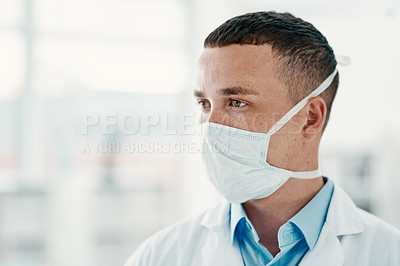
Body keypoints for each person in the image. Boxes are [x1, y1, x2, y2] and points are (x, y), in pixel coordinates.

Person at [124, 11, 400, 266]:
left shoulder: (388, 253)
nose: (210, 125)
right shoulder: (160, 255)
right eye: (204, 104)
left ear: (310, 118)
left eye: (236, 102)